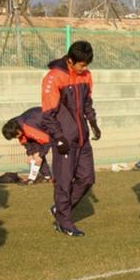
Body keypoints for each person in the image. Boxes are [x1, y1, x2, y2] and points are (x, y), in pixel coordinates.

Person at [41, 40, 100, 237]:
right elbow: (48, 114)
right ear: (70, 61)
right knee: (64, 182)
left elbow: (87, 103)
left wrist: (93, 123)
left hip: (83, 138)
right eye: (82, 65)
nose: (85, 69)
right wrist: (58, 138)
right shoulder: (54, 77)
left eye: (87, 65)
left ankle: (60, 209)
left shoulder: (86, 76)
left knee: (87, 178)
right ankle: (63, 222)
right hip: (64, 139)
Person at [2, 107, 53, 183]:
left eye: (16, 136)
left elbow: (48, 141)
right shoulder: (16, 125)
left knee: (39, 155)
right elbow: (25, 142)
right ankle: (46, 176)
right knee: (35, 154)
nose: (16, 137)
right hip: (37, 127)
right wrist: (30, 154)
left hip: (54, 125)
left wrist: (41, 155)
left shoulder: (29, 126)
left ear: (17, 130)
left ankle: (67, 176)